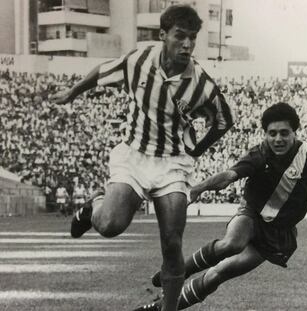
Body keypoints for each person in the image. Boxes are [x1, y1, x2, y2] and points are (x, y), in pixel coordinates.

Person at [51, 5, 234, 311]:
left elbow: (224, 121)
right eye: (180, 37)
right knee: (109, 225)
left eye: (192, 38)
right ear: (163, 35)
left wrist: (198, 150)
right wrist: (73, 91)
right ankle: (93, 205)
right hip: (134, 154)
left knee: (172, 242)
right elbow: (102, 72)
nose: (187, 45)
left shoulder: (201, 83)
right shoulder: (139, 59)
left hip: (173, 164)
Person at [134, 102, 307, 310]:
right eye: (272, 133)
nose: (278, 139)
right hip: (252, 214)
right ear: (265, 134)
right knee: (231, 243)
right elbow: (229, 175)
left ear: (295, 133)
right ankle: (177, 271)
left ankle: (161, 308)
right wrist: (198, 189)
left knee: (219, 274)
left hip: (278, 234)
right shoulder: (259, 154)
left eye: (284, 133)